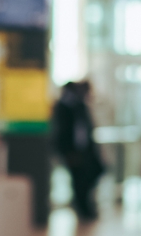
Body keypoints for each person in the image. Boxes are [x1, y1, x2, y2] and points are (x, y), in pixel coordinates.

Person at [51, 80, 104, 220]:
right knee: (79, 180)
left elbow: (87, 130)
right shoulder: (63, 106)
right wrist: (67, 152)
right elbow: (60, 132)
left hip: (85, 150)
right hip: (72, 151)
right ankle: (83, 209)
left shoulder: (80, 106)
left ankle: (86, 207)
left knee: (93, 173)